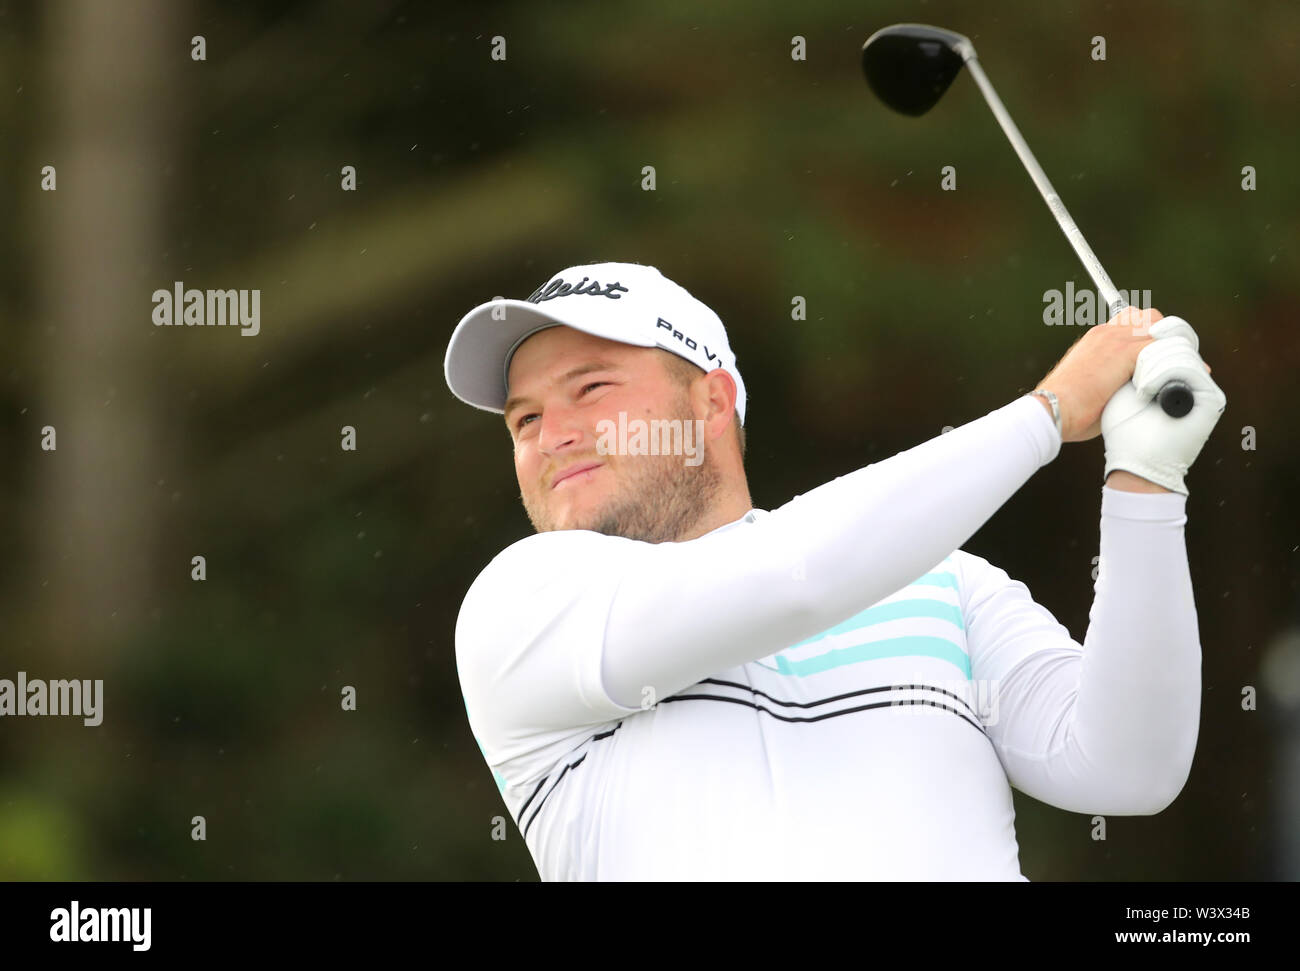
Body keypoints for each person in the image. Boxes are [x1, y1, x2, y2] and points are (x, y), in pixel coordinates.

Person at [442, 260, 1226, 880]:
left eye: (591, 389)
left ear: (712, 403)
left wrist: (1146, 480)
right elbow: (794, 578)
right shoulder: (520, 607)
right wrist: (1048, 413)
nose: (555, 436)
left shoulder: (942, 584)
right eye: (527, 419)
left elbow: (1131, 767)